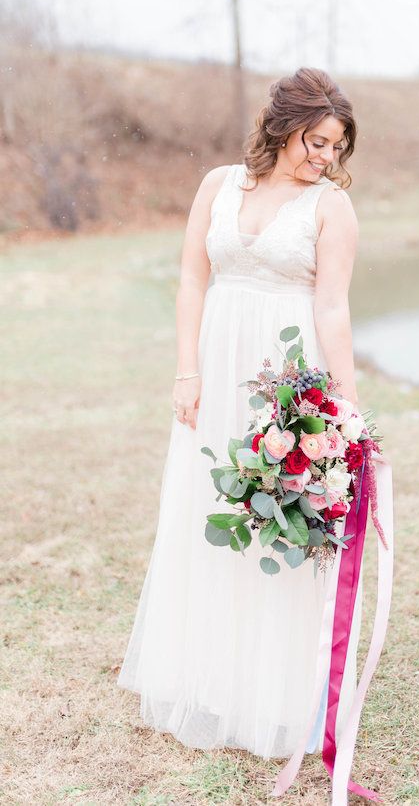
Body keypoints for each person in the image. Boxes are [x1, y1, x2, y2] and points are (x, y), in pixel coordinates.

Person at [116, 66, 363, 760]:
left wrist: (344, 409)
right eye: (317, 142)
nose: (326, 159)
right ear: (283, 128)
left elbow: (333, 307)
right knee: (207, 509)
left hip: (286, 378)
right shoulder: (218, 185)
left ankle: (272, 691)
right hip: (218, 369)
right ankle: (204, 676)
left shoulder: (331, 208)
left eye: (337, 148)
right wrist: (187, 368)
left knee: (274, 518)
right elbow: (194, 275)